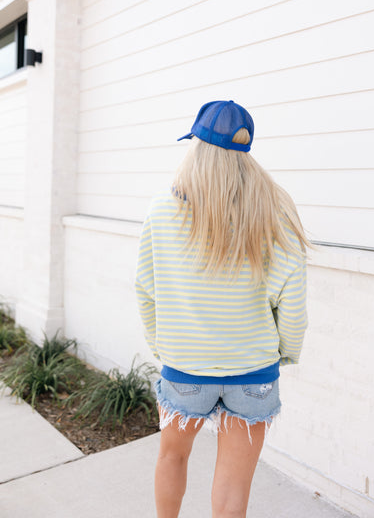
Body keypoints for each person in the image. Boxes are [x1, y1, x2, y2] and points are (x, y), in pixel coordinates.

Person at [135, 100, 314, 518]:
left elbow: (146, 291)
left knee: (171, 457)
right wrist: (284, 352)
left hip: (185, 369)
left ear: (196, 145)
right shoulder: (277, 214)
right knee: (235, 483)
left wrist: (165, 348)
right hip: (253, 372)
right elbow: (294, 307)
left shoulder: (162, 210)